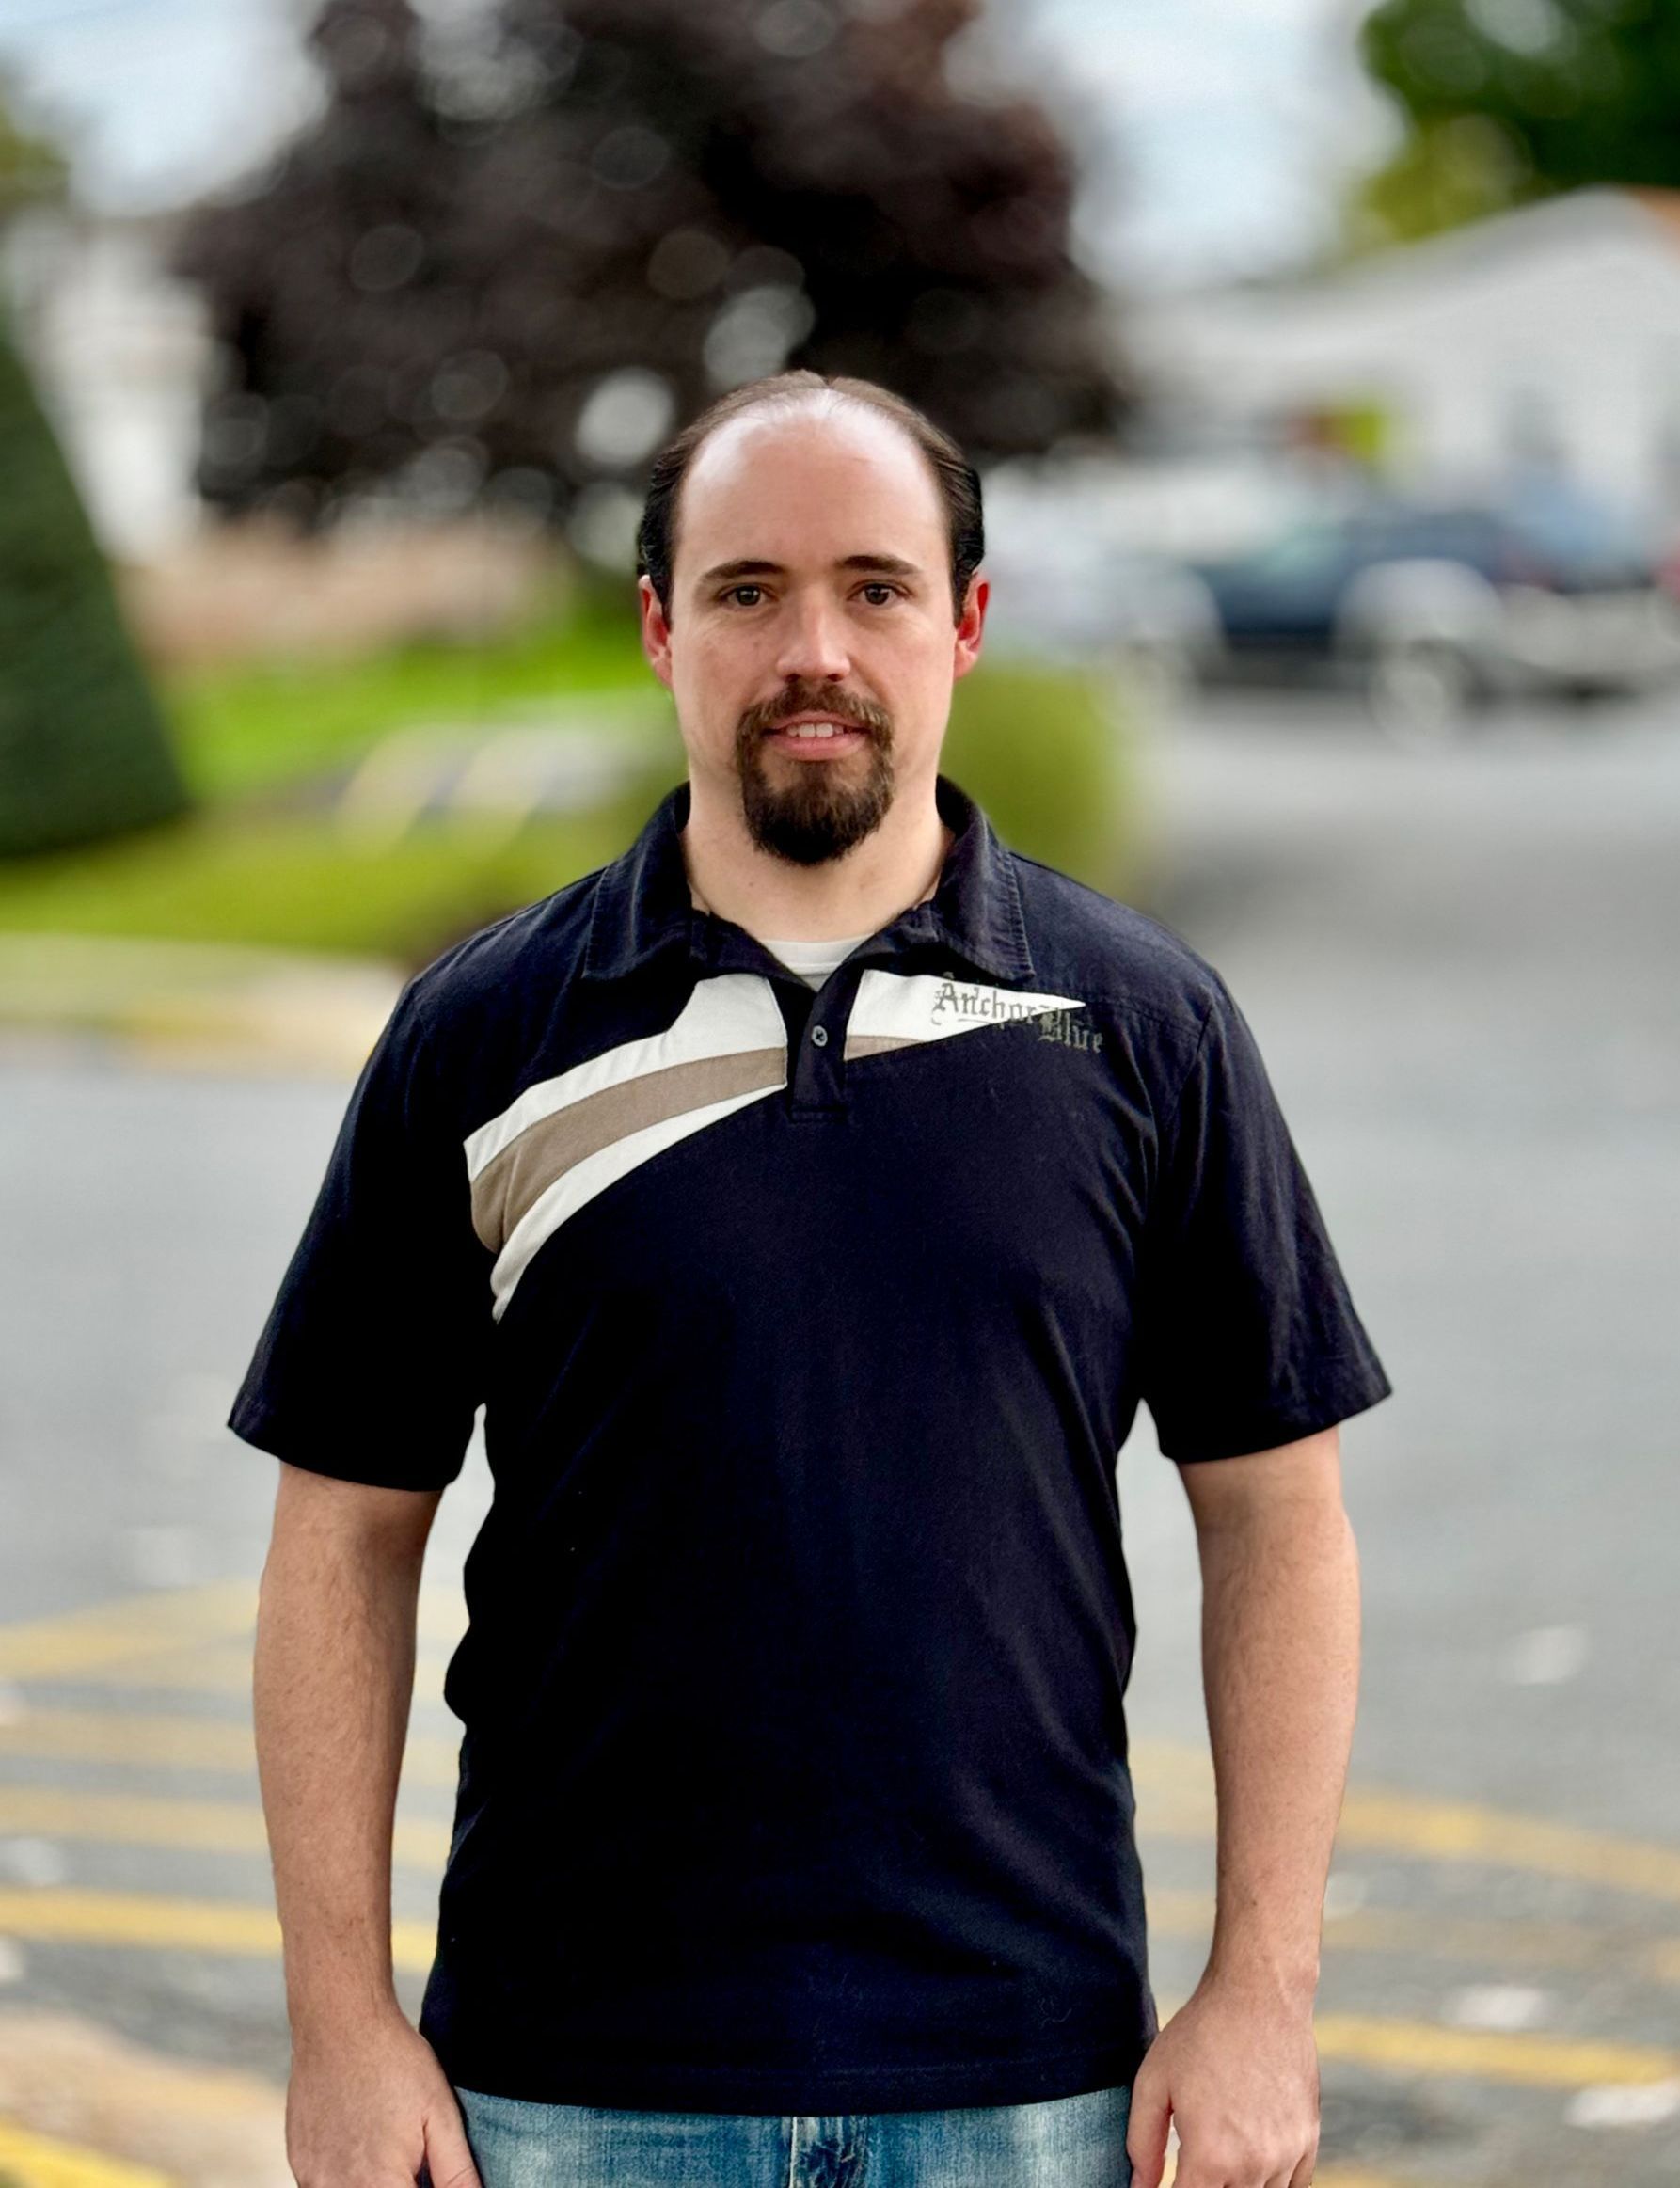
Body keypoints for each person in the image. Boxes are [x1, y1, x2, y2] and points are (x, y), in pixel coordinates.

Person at [229, 370, 1392, 2188]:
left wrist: (1262, 1992)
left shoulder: (1141, 1025)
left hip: (1026, 2071)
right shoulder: (483, 1039)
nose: (812, 649)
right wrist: (340, 2025)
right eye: (746, 590)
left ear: (967, 623)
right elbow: (342, 1535)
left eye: (874, 586)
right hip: (565, 2077)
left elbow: (1276, 1517)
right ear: (657, 629)